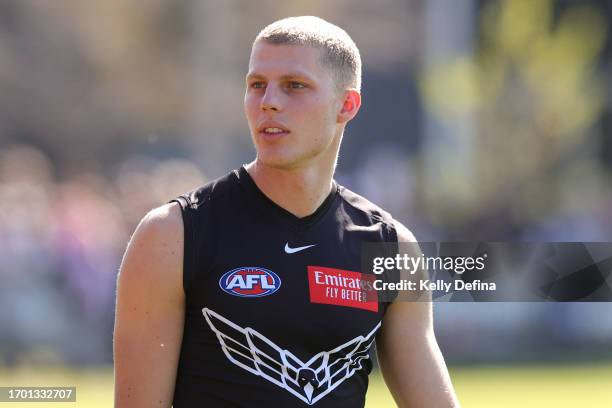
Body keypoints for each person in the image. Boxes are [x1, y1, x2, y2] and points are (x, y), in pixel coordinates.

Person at [114, 16, 459, 408]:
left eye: (295, 86)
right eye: (256, 85)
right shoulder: (172, 235)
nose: (269, 102)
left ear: (346, 104)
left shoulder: (391, 249)